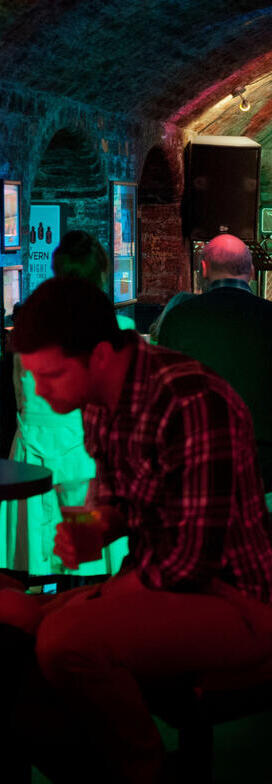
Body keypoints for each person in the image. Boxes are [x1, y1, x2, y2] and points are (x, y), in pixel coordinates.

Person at [0, 276, 272, 783]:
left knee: (64, 639)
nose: (40, 391)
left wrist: (99, 596)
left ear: (102, 355)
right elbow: (120, 502)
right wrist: (92, 527)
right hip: (158, 581)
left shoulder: (191, 401)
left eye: (52, 375)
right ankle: (91, 765)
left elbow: (189, 563)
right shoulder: (99, 402)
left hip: (233, 602)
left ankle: (142, 770)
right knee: (14, 621)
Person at [0, 230, 134, 578]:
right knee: (86, 569)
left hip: (32, 459)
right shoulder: (119, 330)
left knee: (32, 569)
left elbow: (20, 395)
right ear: (100, 275)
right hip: (85, 463)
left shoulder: (27, 332)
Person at [157, 234, 272, 496]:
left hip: (198, 463)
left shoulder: (179, 319)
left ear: (203, 269)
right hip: (264, 464)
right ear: (250, 270)